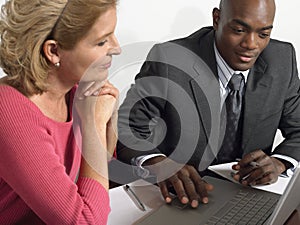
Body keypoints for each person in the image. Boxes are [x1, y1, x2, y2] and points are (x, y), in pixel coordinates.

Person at [117, 0, 300, 209]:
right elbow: (127, 128)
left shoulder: (281, 59)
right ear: (217, 19)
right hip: (183, 197)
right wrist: (160, 165)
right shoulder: (170, 60)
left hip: (247, 197)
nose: (251, 44)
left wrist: (279, 163)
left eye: (263, 34)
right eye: (239, 30)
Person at [0, 0, 121, 224]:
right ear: (54, 51)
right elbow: (86, 221)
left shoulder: (77, 93)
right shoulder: (8, 111)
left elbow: (100, 181)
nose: (117, 48)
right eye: (102, 41)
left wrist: (109, 118)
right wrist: (94, 124)